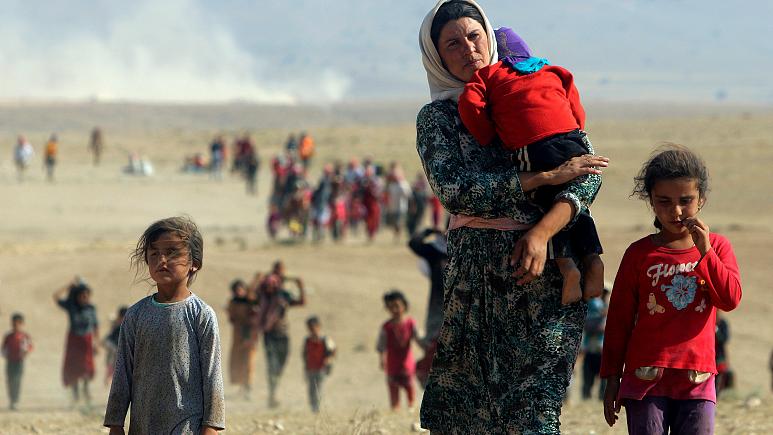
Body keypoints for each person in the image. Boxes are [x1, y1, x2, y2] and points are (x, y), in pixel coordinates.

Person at [417, 1, 608, 432]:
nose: (468, 49)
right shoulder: (438, 119)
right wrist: (544, 177)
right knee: (468, 415)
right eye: (452, 43)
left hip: (548, 277)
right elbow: (456, 191)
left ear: (488, 36)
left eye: (474, 36)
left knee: (536, 413)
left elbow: (585, 173)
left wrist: (540, 233)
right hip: (476, 286)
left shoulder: (530, 88)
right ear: (436, 55)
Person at [600, 145, 742, 434]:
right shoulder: (639, 254)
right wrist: (612, 378)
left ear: (701, 200)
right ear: (651, 202)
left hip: (697, 378)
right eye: (664, 201)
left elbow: (730, 299)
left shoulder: (718, 247)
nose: (675, 211)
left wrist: (706, 252)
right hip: (645, 378)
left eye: (685, 201)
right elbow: (618, 321)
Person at [458, 27, 604, 305]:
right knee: (574, 203)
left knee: (545, 202)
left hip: (534, 146)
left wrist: (487, 134)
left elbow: (470, 103)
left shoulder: (488, 74)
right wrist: (574, 131)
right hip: (572, 140)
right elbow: (575, 103)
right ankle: (593, 259)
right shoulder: (553, 70)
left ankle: (568, 268)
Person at [104, 216, 225, 434]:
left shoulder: (201, 315)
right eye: (154, 254)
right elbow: (122, 373)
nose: (162, 260)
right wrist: (115, 422)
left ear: (194, 263)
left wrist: (211, 427)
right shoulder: (136, 315)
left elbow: (212, 376)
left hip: (187, 426)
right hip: (143, 426)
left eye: (172, 253)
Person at [255, 271, 306, 408]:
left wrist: (300, 286)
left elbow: (301, 302)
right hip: (269, 336)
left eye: (272, 285)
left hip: (283, 334)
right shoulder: (262, 297)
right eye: (267, 285)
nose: (269, 288)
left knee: (281, 363)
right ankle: (272, 395)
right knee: (272, 365)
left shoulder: (283, 296)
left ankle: (274, 391)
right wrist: (257, 279)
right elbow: (248, 295)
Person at [408, 228, 447, 388]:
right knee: (433, 348)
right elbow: (414, 243)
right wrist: (430, 231)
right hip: (437, 310)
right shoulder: (436, 253)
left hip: (464, 309)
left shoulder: (467, 248)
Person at [53, 277, 99, 408]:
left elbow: (95, 326)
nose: (85, 297)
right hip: (73, 341)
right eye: (82, 295)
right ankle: (75, 396)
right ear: (77, 296)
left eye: (87, 295)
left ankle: (86, 392)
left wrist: (96, 343)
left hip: (86, 341)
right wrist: (68, 286)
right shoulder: (71, 306)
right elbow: (56, 297)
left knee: (86, 368)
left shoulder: (91, 308)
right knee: (73, 368)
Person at [377, 290, 420, 411]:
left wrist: (429, 348)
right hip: (392, 365)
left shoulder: (410, 324)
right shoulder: (386, 327)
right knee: (393, 390)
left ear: (404, 306)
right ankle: (395, 409)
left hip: (407, 364)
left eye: (397, 306)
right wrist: (381, 359)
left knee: (409, 387)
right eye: (391, 307)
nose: (394, 310)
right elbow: (381, 345)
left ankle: (411, 408)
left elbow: (419, 339)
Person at [227, 277, 259, 399]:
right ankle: (241, 388)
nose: (239, 292)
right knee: (238, 361)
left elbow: (255, 319)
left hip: (250, 336)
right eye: (237, 290)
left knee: (249, 362)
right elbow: (232, 319)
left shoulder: (252, 302)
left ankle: (248, 389)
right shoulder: (233, 303)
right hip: (238, 336)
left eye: (241, 289)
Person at [580, 285, 610, 400]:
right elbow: (589, 325)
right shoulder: (592, 308)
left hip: (603, 351)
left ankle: (601, 399)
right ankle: (586, 399)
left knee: (604, 381)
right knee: (588, 379)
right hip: (592, 349)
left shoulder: (608, 309)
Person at [302, 316, 336, 413]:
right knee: (311, 389)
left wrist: (328, 360)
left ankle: (317, 407)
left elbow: (333, 350)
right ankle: (313, 406)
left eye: (314, 327)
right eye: (310, 328)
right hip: (310, 369)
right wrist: (305, 368)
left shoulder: (325, 340)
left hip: (321, 369)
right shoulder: (307, 341)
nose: (312, 330)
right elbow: (305, 355)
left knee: (319, 388)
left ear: (319, 327)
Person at [2, 313, 33, 410]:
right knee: (10, 381)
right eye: (14, 324)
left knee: (17, 381)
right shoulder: (8, 336)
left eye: (18, 323)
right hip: (10, 362)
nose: (16, 326)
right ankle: (11, 400)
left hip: (19, 362)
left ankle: (16, 400)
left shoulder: (24, 336)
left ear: (22, 324)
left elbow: (29, 347)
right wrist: (4, 354)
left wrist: (26, 352)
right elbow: (4, 348)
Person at [102, 306, 128, 387]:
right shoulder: (116, 328)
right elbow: (107, 340)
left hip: (123, 354)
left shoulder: (129, 328)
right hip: (115, 354)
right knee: (112, 368)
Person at [714, 313, 733, 395]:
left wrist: (717, 331)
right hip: (707, 358)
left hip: (719, 358)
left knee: (718, 382)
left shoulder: (722, 323)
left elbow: (725, 339)